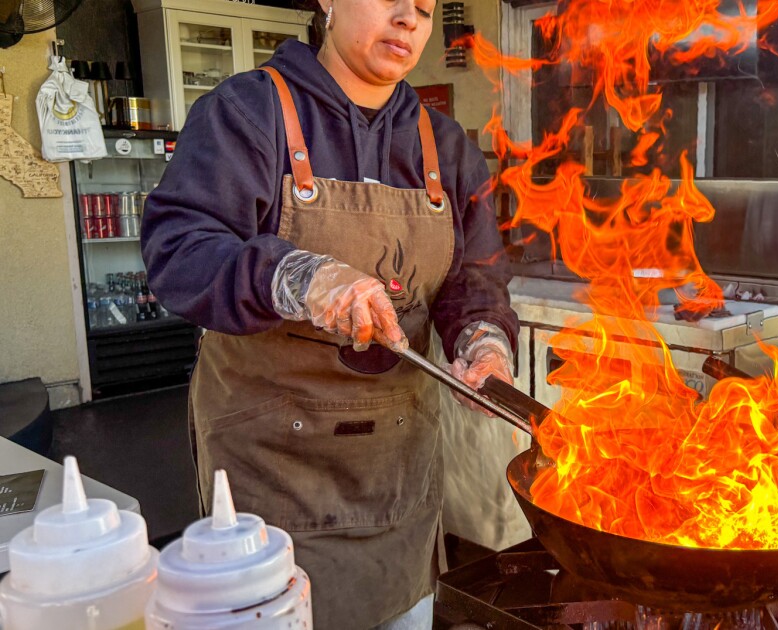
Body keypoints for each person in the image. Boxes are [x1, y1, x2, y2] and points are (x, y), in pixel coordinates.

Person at [140, 0, 518, 627]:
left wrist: (483, 340)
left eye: (424, 9)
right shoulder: (246, 113)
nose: (410, 19)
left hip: (398, 480)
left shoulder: (445, 146)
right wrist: (296, 277)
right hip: (273, 476)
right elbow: (179, 252)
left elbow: (473, 280)